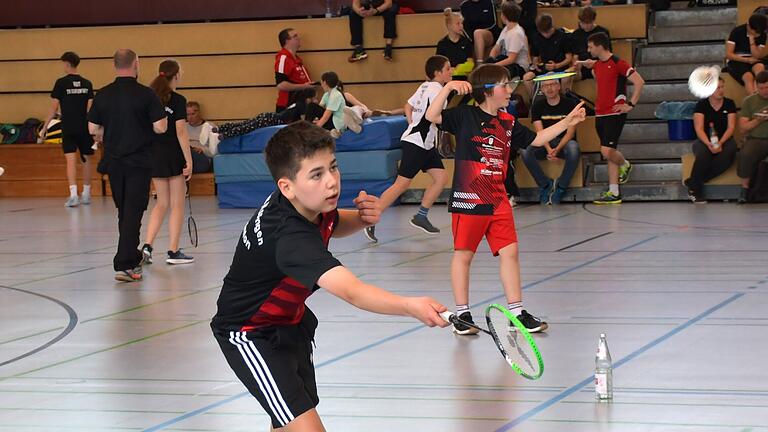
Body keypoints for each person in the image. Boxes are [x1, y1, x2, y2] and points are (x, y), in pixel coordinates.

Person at [210, 121, 448, 431]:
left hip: (290, 324)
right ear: (287, 186)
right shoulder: (289, 237)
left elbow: (333, 223)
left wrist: (362, 219)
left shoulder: (304, 202)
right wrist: (409, 306)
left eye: (332, 168)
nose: (332, 182)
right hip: (250, 334)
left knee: (286, 422)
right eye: (317, 175)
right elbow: (352, 291)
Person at [425, 64, 587, 334]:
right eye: (504, 85)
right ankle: (463, 316)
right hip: (471, 197)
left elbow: (536, 139)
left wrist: (567, 122)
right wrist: (449, 88)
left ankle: (518, 313)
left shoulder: (508, 122)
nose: (510, 90)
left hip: (498, 198)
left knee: (510, 252)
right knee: (464, 255)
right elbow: (432, 115)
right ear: (488, 91)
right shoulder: (464, 115)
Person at [88, 49, 167, 282]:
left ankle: (131, 256)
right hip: (138, 162)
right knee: (133, 211)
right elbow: (161, 127)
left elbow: (93, 129)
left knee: (125, 211)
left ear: (114, 65)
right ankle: (125, 263)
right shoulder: (146, 95)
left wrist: (108, 133)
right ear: (136, 64)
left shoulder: (103, 94)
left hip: (113, 162)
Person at [363, 56, 453, 243]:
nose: (451, 71)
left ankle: (421, 216)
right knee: (401, 184)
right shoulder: (439, 91)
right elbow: (435, 116)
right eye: (448, 68)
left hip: (424, 143)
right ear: (438, 72)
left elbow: (407, 106)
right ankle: (372, 217)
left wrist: (412, 122)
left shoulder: (424, 86)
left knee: (441, 178)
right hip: (417, 142)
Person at [141, 59, 195, 266]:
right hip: (173, 155)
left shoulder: (148, 96)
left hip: (154, 155)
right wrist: (188, 160)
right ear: (177, 75)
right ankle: (173, 251)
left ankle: (147, 246)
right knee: (177, 204)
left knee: (161, 203)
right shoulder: (178, 100)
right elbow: (181, 131)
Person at [581, 32, 644, 205]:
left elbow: (639, 82)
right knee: (608, 152)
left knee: (607, 151)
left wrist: (630, 104)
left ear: (600, 46)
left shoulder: (618, 63)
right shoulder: (597, 65)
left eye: (591, 47)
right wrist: (590, 66)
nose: (588, 50)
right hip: (600, 112)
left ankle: (625, 164)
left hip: (614, 113)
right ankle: (614, 191)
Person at [40, 51, 94, 207]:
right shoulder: (87, 83)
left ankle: (73, 195)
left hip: (69, 126)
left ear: (67, 64)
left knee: (70, 160)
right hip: (84, 127)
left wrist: (45, 127)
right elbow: (90, 109)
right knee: (86, 160)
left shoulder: (61, 83)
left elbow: (53, 108)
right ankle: (86, 194)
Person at [521, 77, 581, 205]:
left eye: (553, 84)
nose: (550, 88)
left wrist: (557, 150)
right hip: (545, 144)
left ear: (559, 87)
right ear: (541, 89)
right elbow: (539, 133)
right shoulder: (537, 105)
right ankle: (545, 185)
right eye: (546, 85)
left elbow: (570, 133)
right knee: (525, 149)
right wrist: (549, 149)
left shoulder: (570, 104)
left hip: (564, 144)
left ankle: (561, 186)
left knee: (574, 148)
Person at [683, 77, 737, 203]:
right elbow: (699, 128)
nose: (721, 90)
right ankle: (695, 191)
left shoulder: (729, 104)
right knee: (703, 155)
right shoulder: (702, 105)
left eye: (722, 87)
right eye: (717, 88)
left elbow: (731, 127)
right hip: (704, 139)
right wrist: (708, 143)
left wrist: (720, 142)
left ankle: (694, 182)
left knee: (728, 154)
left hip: (725, 139)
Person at [737, 71, 768, 204]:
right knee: (746, 154)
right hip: (756, 139)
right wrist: (759, 119)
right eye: (762, 88)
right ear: (756, 86)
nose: (765, 91)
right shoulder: (749, 101)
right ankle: (744, 189)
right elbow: (743, 128)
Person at [523, 14, 574, 93]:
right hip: (544, 67)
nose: (546, 35)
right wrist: (536, 64)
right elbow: (535, 56)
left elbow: (569, 58)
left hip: (560, 67)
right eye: (543, 33)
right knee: (527, 77)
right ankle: (534, 101)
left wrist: (556, 65)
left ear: (552, 27)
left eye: (548, 32)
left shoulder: (562, 36)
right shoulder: (536, 37)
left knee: (551, 75)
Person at [275, 28, 317, 119]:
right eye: (295, 36)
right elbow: (281, 85)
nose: (299, 38)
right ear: (287, 41)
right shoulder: (283, 58)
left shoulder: (297, 60)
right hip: (288, 107)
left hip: (301, 107)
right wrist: (304, 86)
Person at [486, 2, 530, 83]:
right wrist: (491, 60)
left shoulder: (516, 33)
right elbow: (496, 48)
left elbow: (511, 59)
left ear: (504, 16)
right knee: (486, 65)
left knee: (494, 72)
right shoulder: (506, 29)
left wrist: (494, 66)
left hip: (518, 66)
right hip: (505, 61)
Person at [726, 13, 768, 95]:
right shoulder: (737, 31)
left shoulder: (762, 34)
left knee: (760, 69)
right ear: (749, 25)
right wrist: (746, 60)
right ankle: (754, 100)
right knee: (748, 76)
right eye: (755, 32)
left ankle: (760, 97)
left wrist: (751, 40)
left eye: (758, 33)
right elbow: (729, 54)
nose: (757, 35)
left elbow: (757, 56)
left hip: (753, 59)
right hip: (737, 60)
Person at [570, 6, 611, 82]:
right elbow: (575, 55)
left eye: (588, 23)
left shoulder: (602, 32)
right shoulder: (576, 34)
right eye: (583, 23)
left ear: (593, 20)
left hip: (599, 65)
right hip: (582, 67)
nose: (586, 26)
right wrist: (575, 66)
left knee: (596, 73)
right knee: (566, 77)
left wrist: (595, 64)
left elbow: (607, 55)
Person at [436, 8, 475, 79]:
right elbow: (439, 65)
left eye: (462, 23)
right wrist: (451, 71)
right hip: (448, 79)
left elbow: (470, 64)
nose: (461, 26)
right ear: (449, 25)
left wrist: (458, 69)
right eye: (458, 24)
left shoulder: (466, 42)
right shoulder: (442, 44)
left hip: (463, 79)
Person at [311, 72, 349, 138]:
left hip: (337, 124)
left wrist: (315, 129)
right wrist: (316, 119)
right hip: (331, 120)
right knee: (312, 106)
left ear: (325, 82)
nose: (321, 85)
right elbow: (319, 108)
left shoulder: (336, 95)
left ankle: (307, 130)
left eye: (321, 83)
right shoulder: (327, 94)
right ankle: (308, 127)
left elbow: (327, 115)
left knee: (311, 106)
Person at [186, 101, 217, 173]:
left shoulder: (210, 127)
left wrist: (202, 150)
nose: (190, 117)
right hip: (185, 156)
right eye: (187, 115)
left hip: (202, 158)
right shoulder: (182, 127)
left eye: (193, 114)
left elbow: (216, 150)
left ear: (199, 113)